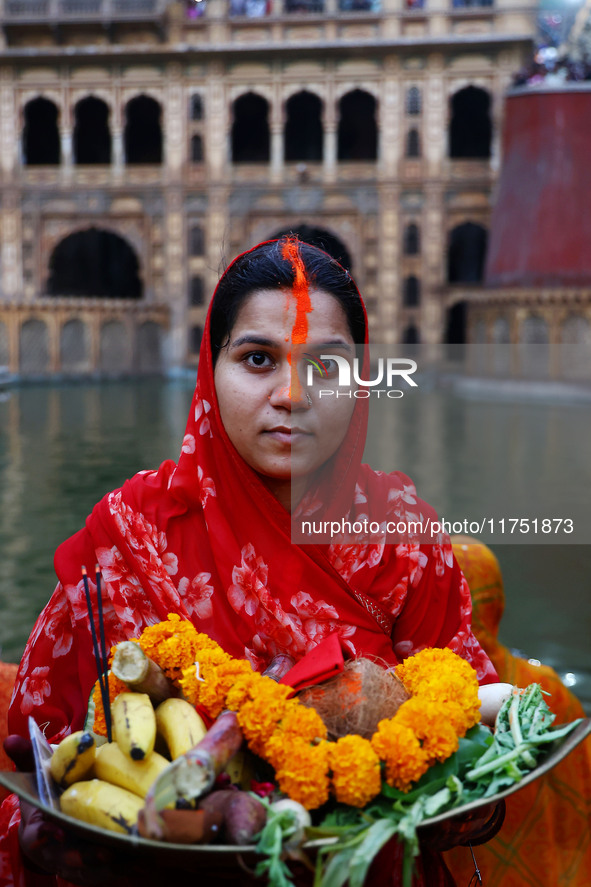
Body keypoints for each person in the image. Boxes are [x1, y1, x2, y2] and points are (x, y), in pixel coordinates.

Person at [0, 237, 507, 887]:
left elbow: (478, 746)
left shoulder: (399, 539)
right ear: (209, 370)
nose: (292, 395)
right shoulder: (130, 532)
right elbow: (42, 767)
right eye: (258, 358)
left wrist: (437, 802)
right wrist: (48, 838)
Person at [444, 536, 591, 887]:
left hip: (467, 872)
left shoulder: (431, 704)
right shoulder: (543, 685)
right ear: (495, 601)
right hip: (549, 866)